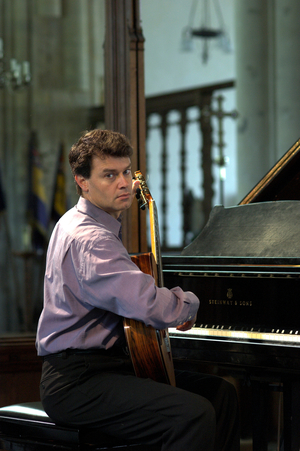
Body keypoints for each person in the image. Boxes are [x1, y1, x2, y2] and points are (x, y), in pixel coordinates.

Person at [36, 129, 240, 451]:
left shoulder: (81, 222)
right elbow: (147, 304)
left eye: (126, 171)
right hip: (78, 382)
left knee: (220, 395)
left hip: (108, 368)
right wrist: (188, 303)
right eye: (109, 175)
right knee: (192, 414)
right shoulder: (92, 239)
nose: (124, 183)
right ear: (82, 181)